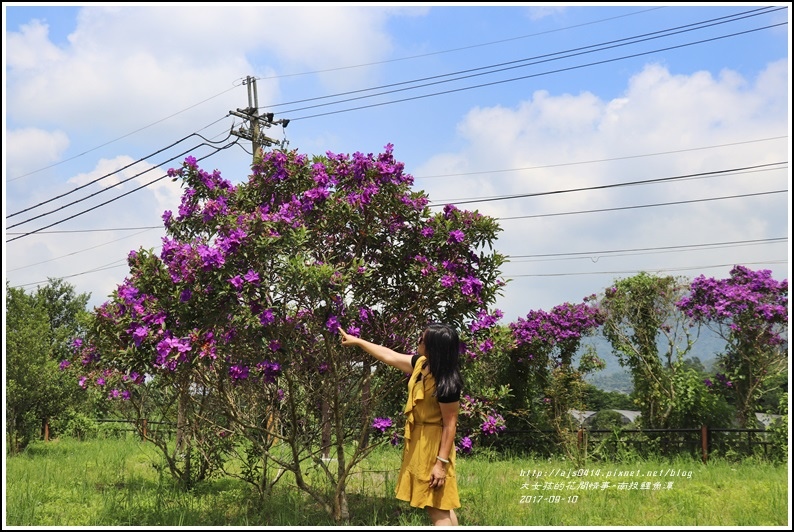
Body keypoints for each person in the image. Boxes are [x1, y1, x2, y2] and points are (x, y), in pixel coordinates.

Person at [338, 323, 462, 526]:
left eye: (422, 339)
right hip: (418, 440)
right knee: (441, 504)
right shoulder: (421, 365)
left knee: (436, 508)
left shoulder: (446, 382)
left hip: (434, 446)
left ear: (434, 347)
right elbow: (388, 355)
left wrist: (440, 464)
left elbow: (450, 425)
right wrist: (358, 341)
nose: (418, 341)